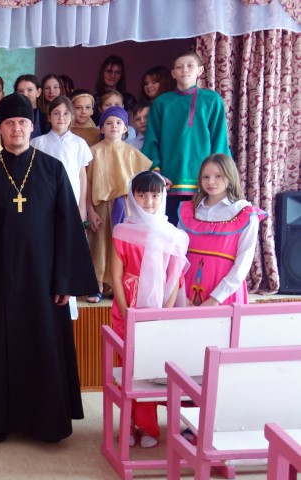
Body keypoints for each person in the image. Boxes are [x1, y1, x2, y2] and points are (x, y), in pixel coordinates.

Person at [0, 93, 98, 443]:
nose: (16, 129)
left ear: (31, 127)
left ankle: (47, 423)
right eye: (9, 124)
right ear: (0, 129)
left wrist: (65, 280)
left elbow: (67, 227)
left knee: (43, 346)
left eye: (21, 123)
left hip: (44, 280)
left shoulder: (52, 169)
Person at [111, 171, 189, 449]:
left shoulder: (174, 236)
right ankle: (128, 426)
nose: (148, 200)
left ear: (163, 196)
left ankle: (148, 428)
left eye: (155, 195)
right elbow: (115, 274)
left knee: (151, 370)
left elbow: (174, 279)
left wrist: (163, 314)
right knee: (129, 368)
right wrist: (126, 310)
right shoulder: (122, 231)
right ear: (133, 197)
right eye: (142, 194)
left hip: (159, 310)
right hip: (128, 305)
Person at [142, 51, 231, 225]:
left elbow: (219, 140)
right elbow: (152, 141)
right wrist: (156, 173)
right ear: (173, 73)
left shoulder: (212, 100)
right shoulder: (161, 103)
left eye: (190, 66)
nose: (184, 70)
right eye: (179, 67)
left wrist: (218, 176)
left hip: (204, 181)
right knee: (171, 231)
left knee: (203, 229)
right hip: (169, 181)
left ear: (200, 70)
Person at [31, 96, 92, 320]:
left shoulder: (79, 143)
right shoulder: (37, 143)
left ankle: (69, 302)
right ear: (48, 117)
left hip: (71, 203)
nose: (61, 118)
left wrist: (82, 207)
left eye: (66, 113)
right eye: (56, 113)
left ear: (72, 117)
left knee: (68, 249)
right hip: (45, 206)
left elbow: (82, 176)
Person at [178, 154, 267, 306]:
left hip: (224, 294)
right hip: (186, 291)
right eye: (205, 177)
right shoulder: (188, 211)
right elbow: (177, 256)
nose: (210, 182)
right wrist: (180, 295)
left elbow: (244, 262)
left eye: (218, 176)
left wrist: (216, 299)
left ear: (230, 176)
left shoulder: (244, 213)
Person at [86, 106, 152, 303]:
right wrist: (90, 210)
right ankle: (97, 286)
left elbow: (143, 179)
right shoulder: (94, 152)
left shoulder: (132, 153)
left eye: (118, 123)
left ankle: (118, 287)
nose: (113, 126)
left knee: (122, 247)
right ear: (101, 128)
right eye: (108, 123)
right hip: (101, 206)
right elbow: (87, 183)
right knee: (99, 245)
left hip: (125, 206)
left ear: (125, 128)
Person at [93, 55, 137, 125]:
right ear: (102, 73)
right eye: (109, 71)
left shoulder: (129, 99)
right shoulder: (94, 100)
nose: (113, 76)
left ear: (121, 76)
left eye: (117, 72)